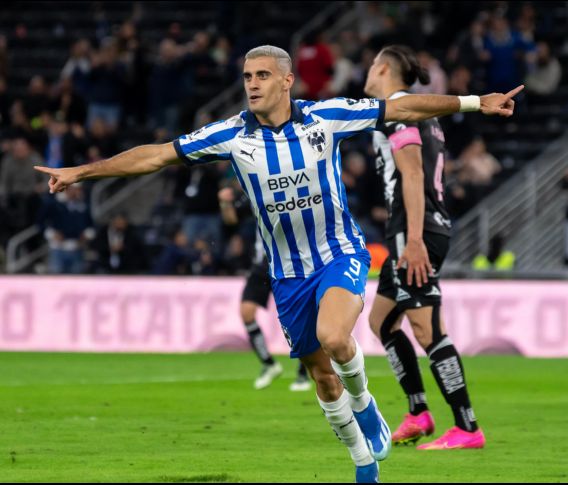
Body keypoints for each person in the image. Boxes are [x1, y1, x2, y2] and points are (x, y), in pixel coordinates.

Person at [35, 45, 522, 483]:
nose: (252, 84)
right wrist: (82, 171)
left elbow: (400, 107)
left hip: (338, 254)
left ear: (287, 81)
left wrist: (477, 102)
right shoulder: (230, 135)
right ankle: (361, 459)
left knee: (336, 338)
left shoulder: (326, 117)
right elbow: (158, 156)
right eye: (248, 76)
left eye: (263, 75)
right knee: (320, 374)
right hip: (286, 273)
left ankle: (367, 406)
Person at [364, 45, 485, 450]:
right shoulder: (424, 114)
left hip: (413, 231)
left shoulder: (398, 110)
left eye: (370, 67)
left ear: (382, 69)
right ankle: (418, 412)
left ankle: (467, 427)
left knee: (427, 328)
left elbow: (412, 173)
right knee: (381, 321)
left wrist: (413, 239)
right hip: (420, 227)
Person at [218, 186, 311, 392]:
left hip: (290, 263)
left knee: (299, 318)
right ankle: (269, 365)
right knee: (246, 312)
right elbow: (232, 220)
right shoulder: (253, 192)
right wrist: (225, 202)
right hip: (262, 265)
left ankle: (304, 372)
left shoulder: (291, 189)